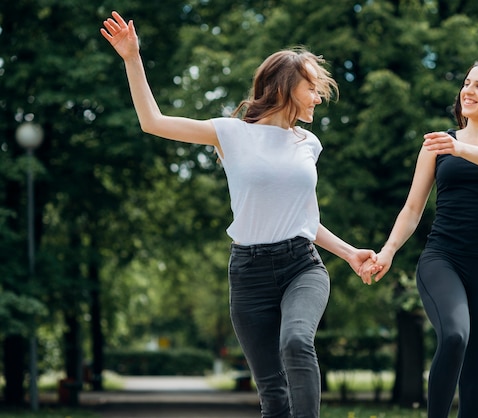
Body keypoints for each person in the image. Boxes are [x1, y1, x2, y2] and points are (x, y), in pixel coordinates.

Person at [100, 11, 377, 418]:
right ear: (287, 85)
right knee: (273, 397)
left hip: (303, 265)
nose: (319, 98)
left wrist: (350, 253)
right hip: (249, 274)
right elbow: (152, 122)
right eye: (313, 88)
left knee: (297, 342)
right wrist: (132, 58)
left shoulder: (309, 143)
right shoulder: (231, 133)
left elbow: (300, 218)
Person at [363, 60, 478, 417]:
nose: (468, 91)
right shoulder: (439, 143)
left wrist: (460, 149)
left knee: (476, 386)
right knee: (454, 335)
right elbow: (413, 208)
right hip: (442, 259)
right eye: (467, 83)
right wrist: (387, 251)